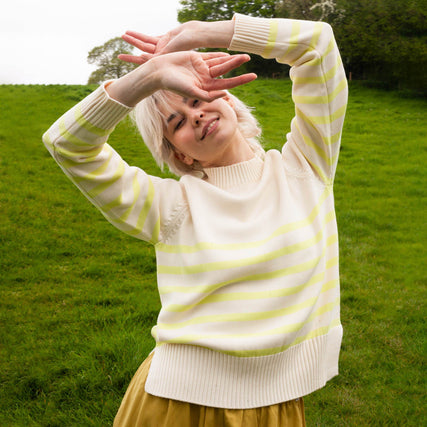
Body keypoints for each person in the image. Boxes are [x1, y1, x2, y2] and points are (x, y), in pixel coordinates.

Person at [43, 13, 347, 427]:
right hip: (177, 403)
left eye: (197, 98)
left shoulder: (306, 166)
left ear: (227, 98)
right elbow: (67, 145)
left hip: (281, 401)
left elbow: (318, 45)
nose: (196, 115)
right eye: (177, 123)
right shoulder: (169, 205)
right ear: (181, 155)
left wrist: (202, 32)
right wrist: (147, 77)